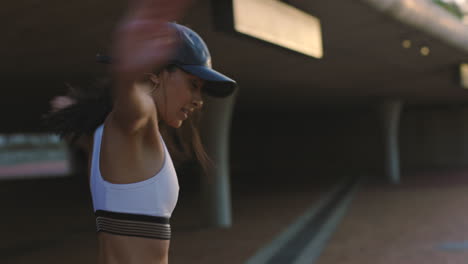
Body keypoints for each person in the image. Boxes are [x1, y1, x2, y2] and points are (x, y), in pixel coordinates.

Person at [45, 0, 237, 263]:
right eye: (193, 84)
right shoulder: (139, 118)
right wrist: (127, 75)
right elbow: (132, 106)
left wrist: (74, 110)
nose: (199, 99)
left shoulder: (102, 135)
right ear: (157, 75)